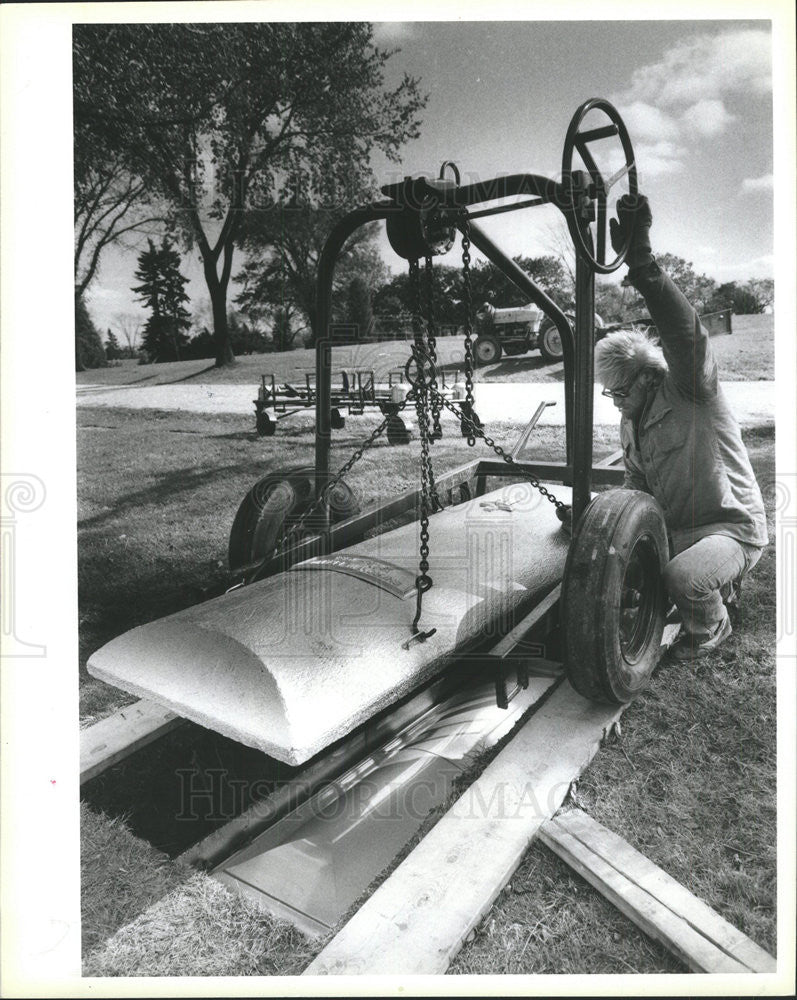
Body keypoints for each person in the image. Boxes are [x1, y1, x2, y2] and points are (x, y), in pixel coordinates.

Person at [594, 194, 768, 660]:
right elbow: (636, 486)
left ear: (649, 375)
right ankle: (702, 580)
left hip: (731, 529)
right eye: (609, 394)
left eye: (620, 392)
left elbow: (685, 332)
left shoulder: (692, 388)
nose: (616, 404)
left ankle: (712, 626)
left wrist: (643, 263)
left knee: (682, 579)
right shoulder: (631, 422)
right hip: (680, 531)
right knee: (614, 565)